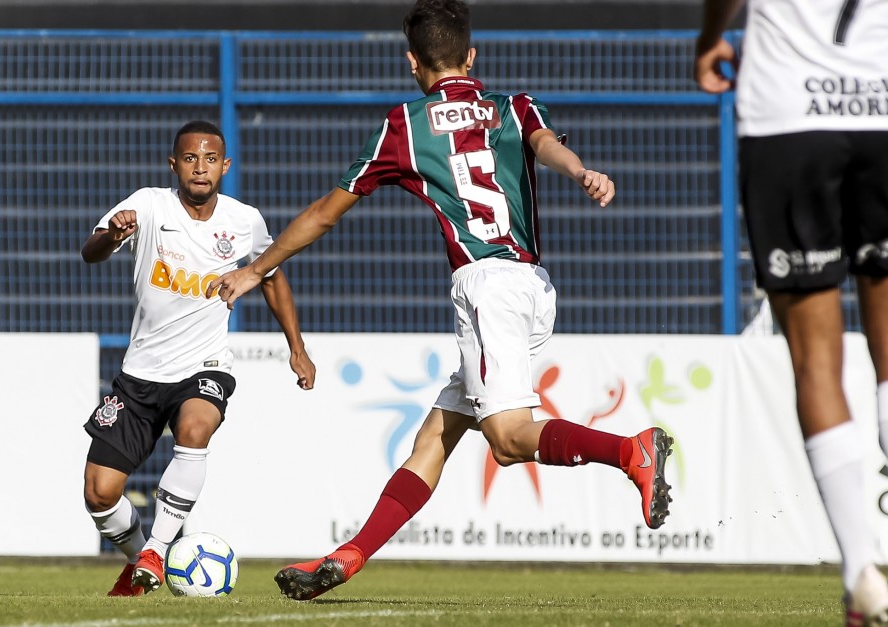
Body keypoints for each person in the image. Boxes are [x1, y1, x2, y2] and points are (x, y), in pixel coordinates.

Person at [210, 0, 673, 601]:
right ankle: (348, 558)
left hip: (487, 286)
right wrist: (581, 171)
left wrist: (255, 271)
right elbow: (546, 144)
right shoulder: (513, 105)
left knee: (507, 439)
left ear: (412, 63)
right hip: (531, 285)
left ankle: (629, 451)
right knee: (434, 440)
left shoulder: (406, 124)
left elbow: (326, 214)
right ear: (471, 56)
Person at [695, 1, 888, 625]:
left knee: (816, 360)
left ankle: (862, 570)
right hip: (881, 108)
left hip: (790, 118)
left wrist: (710, 36)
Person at [81, 120, 316, 596]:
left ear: (225, 166)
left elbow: (271, 277)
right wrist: (112, 234)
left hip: (205, 366)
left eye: (211, 159)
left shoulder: (244, 220)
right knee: (99, 494)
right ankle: (140, 558)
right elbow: (91, 252)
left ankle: (158, 549)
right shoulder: (147, 204)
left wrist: (297, 347)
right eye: (190, 158)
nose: (200, 167)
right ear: (174, 164)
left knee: (194, 427)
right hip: (141, 374)